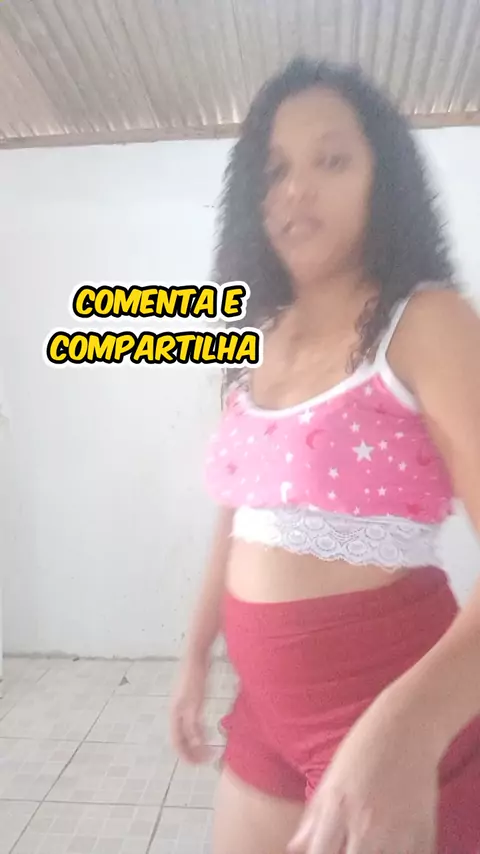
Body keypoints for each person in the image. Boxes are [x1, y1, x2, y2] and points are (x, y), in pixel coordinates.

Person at [170, 57, 480, 854]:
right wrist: (196, 651)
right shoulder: (256, 333)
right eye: (275, 170)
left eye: (331, 160)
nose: (296, 190)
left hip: (392, 713)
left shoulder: (428, 321)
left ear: (384, 180)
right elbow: (238, 513)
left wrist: (409, 727)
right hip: (265, 713)